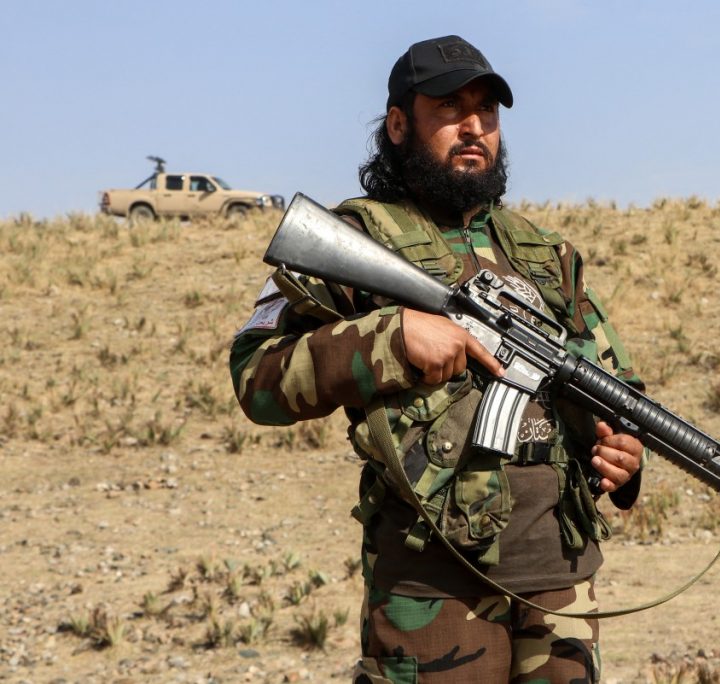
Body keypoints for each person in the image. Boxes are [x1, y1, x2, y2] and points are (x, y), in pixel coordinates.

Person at [230, 35, 646, 683]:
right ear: (399, 124)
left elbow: (614, 387)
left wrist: (623, 453)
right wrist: (391, 340)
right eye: (450, 107)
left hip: (561, 581)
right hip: (432, 589)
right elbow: (257, 379)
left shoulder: (547, 255)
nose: (474, 126)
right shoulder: (354, 242)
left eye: (487, 110)